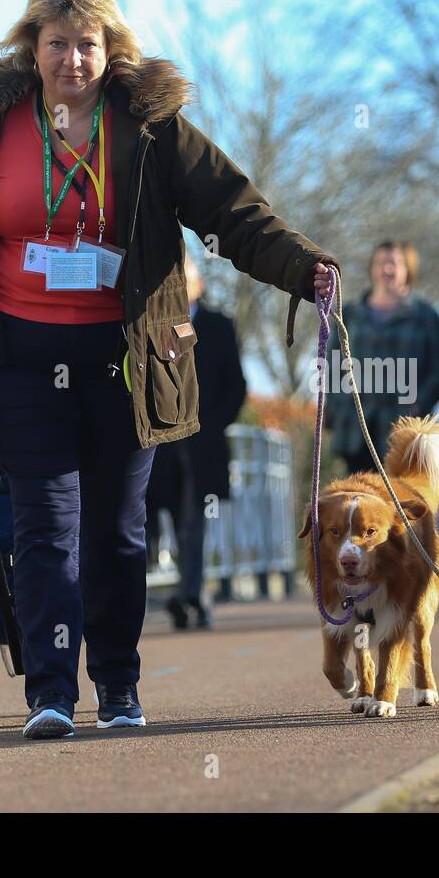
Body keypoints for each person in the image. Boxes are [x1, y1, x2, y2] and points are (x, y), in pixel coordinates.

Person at [0, 0, 340, 739]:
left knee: (116, 531)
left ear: (111, 50)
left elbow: (231, 212)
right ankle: (49, 691)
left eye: (87, 44)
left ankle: (117, 686)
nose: (72, 59)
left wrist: (304, 267)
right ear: (30, 49)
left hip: (127, 354)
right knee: (45, 524)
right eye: (57, 44)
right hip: (17, 354)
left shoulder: (149, 127)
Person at [146, 256, 247, 631]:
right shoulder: (152, 323)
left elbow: (236, 386)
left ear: (199, 285)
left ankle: (191, 595)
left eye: (186, 280)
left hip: (201, 447)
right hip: (159, 447)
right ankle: (175, 595)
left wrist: (211, 424)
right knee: (152, 521)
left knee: (194, 524)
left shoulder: (219, 326)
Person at [325, 241, 439, 474]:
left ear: (407, 269)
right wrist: (340, 406)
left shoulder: (427, 315)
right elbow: (332, 366)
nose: (387, 269)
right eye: (381, 263)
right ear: (372, 268)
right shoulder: (349, 313)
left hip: (404, 431)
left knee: (399, 504)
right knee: (358, 502)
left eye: (394, 263)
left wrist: (418, 405)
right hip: (355, 431)